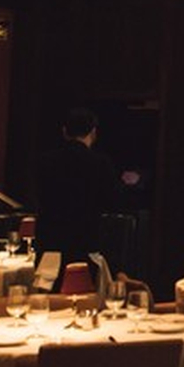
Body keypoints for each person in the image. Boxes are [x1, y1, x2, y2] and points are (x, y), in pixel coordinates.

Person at [34, 107, 118, 273]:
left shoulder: (45, 162)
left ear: (64, 132)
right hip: (86, 242)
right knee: (83, 287)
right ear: (93, 132)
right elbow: (111, 201)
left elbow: (38, 197)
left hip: (50, 243)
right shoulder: (100, 164)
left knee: (47, 288)